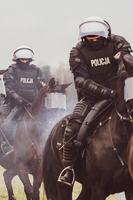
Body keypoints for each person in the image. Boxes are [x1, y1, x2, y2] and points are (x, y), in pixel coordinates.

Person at [58, 16, 133, 186]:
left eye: (96, 37)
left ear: (105, 35)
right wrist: (107, 92)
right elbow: (80, 81)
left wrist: (120, 83)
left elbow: (127, 62)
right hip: (92, 98)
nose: (93, 41)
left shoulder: (119, 43)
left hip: (122, 93)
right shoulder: (77, 52)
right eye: (89, 38)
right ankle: (68, 169)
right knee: (72, 128)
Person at [0, 45, 45, 157]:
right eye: (22, 59)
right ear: (17, 59)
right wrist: (19, 99)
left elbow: (42, 87)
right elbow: (8, 88)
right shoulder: (11, 71)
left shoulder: (37, 71)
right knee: (3, 125)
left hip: (33, 105)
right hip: (14, 104)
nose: (24, 61)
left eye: (26, 59)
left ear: (30, 59)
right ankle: (2, 148)